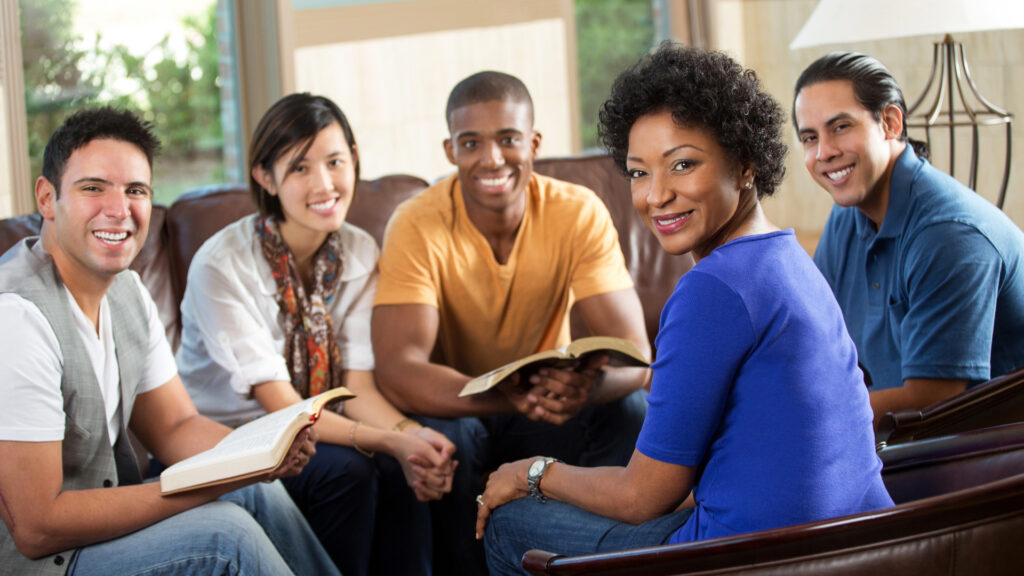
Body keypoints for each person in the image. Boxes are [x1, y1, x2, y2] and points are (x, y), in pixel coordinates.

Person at [477, 43, 894, 575]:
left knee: (512, 523)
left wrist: (529, 473)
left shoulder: (713, 290)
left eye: (682, 164)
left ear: (745, 164)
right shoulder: (788, 257)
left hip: (749, 558)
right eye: (638, 173)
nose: (657, 195)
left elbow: (640, 498)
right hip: (861, 544)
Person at [0, 107, 338, 575]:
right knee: (226, 537)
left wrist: (264, 453)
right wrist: (204, 486)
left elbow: (175, 426)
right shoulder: (17, 318)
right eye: (93, 187)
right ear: (47, 197)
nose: (119, 210)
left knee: (256, 487)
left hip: (93, 532)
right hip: (41, 562)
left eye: (135, 190)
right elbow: (36, 526)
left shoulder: (127, 292)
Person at [372, 71, 651, 574]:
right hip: (461, 407)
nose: (491, 158)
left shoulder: (577, 212)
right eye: (471, 143)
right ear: (450, 149)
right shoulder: (416, 222)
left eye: (507, 139)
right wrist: (505, 396)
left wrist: (581, 389)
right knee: (448, 436)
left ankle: (605, 560)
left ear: (534, 143)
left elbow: (637, 355)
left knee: (630, 408)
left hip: (550, 409)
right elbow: (397, 367)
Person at [176, 92, 456, 576]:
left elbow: (358, 388)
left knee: (407, 462)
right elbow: (282, 407)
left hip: (313, 427)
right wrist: (390, 442)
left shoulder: (358, 252)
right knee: (348, 470)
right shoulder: (221, 266)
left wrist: (413, 438)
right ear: (266, 177)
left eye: (335, 161)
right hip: (230, 438)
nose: (324, 184)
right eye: (301, 168)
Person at [793, 52, 1024, 427]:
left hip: (987, 449)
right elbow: (821, 339)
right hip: (908, 438)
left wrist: (806, 415)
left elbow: (932, 399)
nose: (824, 153)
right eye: (809, 137)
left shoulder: (949, 235)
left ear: (890, 122)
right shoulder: (847, 214)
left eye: (840, 127)